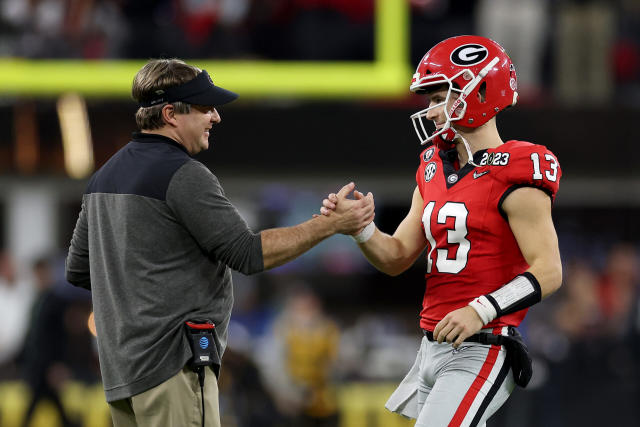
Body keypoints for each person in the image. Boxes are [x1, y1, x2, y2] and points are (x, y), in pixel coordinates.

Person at [64, 58, 374, 427]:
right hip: (172, 367)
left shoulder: (103, 177)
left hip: (121, 373)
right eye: (205, 107)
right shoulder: (183, 174)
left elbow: (80, 270)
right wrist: (329, 225)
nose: (216, 117)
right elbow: (247, 253)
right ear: (170, 114)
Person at [320, 35, 563, 426]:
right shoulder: (433, 166)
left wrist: (479, 311)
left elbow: (548, 271)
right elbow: (398, 255)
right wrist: (361, 229)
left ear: (479, 91)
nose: (431, 112)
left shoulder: (518, 166)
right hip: (431, 347)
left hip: (482, 345)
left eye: (440, 98)